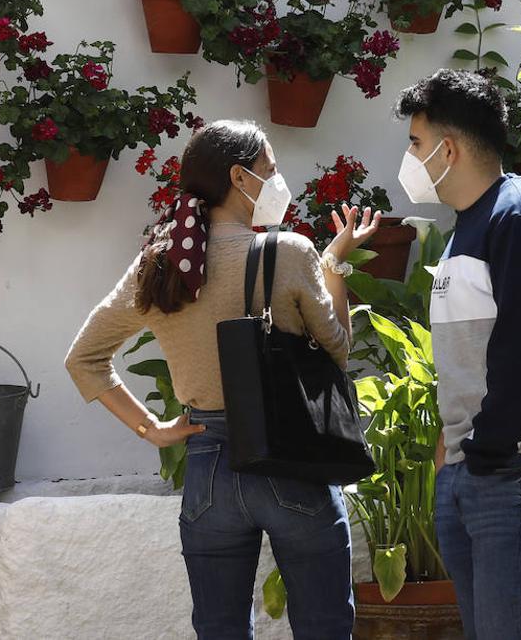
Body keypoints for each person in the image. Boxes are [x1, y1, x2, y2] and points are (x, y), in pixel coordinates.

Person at [64, 119, 380, 640]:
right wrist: (335, 264)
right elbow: (338, 352)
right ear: (239, 177)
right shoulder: (289, 252)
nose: (278, 182)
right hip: (292, 457)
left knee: (219, 629)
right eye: (270, 171)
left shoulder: (160, 263)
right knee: (324, 627)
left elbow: (85, 357)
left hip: (208, 464)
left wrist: (153, 430)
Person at [394, 69, 521, 640]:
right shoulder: (473, 225)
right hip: (477, 468)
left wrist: (487, 453)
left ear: (448, 148)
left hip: (518, 468)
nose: (409, 157)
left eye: (415, 142)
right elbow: (470, 361)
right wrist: (450, 461)